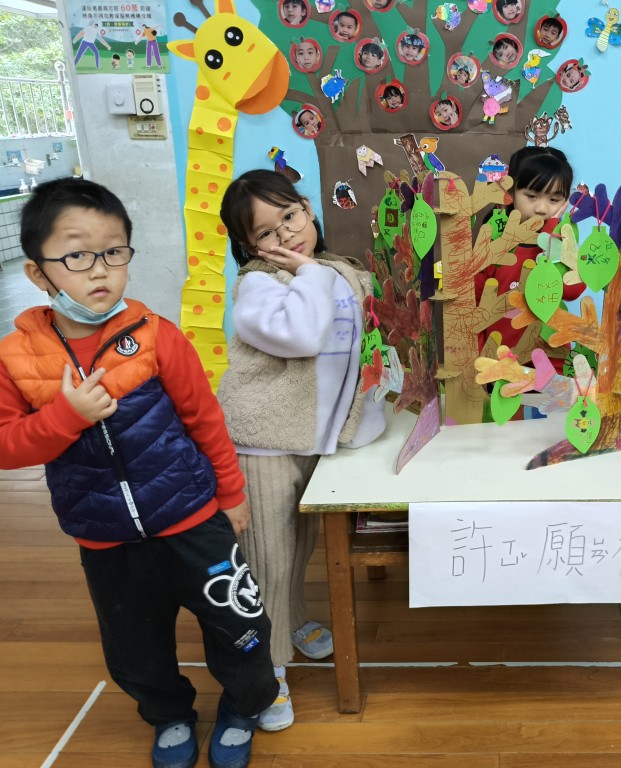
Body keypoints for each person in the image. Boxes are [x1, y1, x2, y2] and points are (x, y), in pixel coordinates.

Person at [0, 177, 278, 768]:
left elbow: (205, 420)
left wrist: (231, 493)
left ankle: (244, 705)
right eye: (77, 255)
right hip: (105, 537)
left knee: (241, 624)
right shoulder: (15, 359)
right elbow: (7, 447)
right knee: (134, 647)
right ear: (37, 273)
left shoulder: (155, 337)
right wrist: (66, 417)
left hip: (192, 518)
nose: (100, 270)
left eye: (114, 251)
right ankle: (169, 714)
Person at [217, 170, 386, 733]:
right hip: (263, 440)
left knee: (300, 544)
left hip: (310, 439)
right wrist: (309, 273)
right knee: (267, 559)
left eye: (289, 216)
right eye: (266, 232)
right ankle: (265, 672)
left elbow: (362, 348)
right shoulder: (259, 286)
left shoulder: (339, 270)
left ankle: (290, 622)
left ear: (308, 210)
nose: (285, 234)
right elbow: (303, 336)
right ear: (249, 247)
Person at [473, 146, 586, 368]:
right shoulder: (493, 245)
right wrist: (478, 362)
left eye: (554, 199)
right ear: (511, 192)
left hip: (552, 361)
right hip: (500, 362)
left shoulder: (563, 242)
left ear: (565, 201)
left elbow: (571, 291)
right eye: (532, 196)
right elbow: (473, 307)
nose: (542, 208)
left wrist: (550, 231)